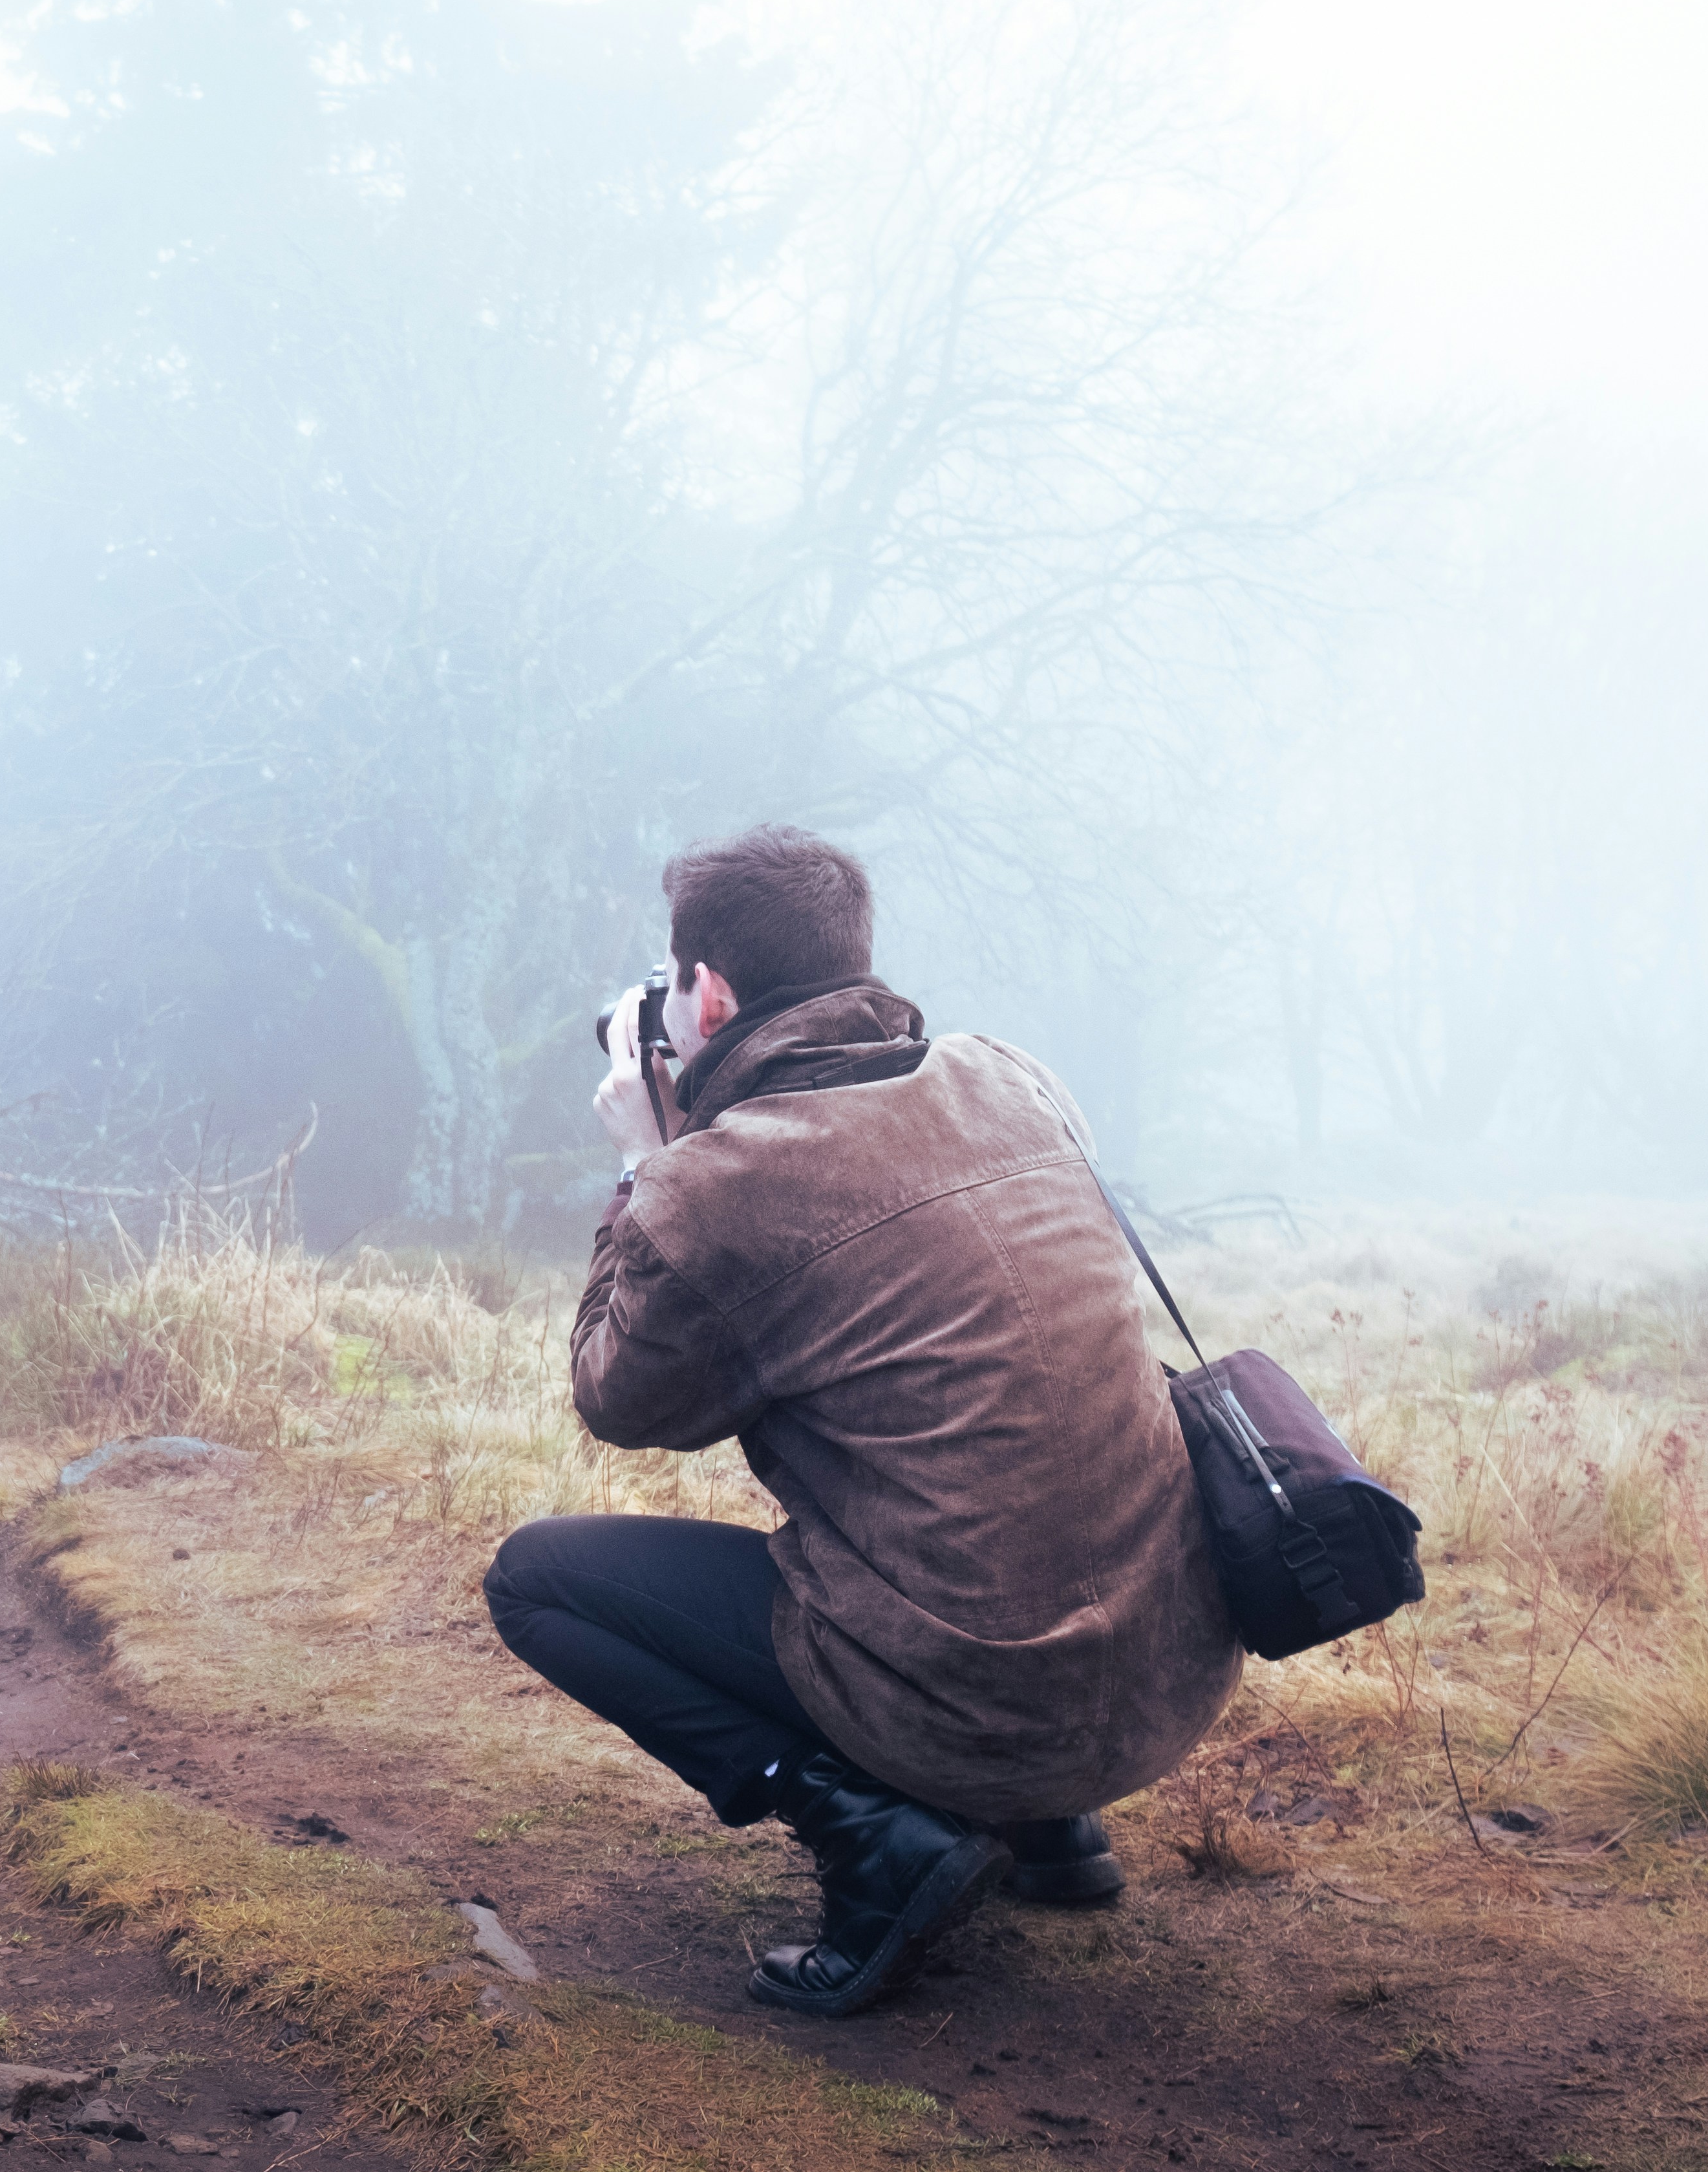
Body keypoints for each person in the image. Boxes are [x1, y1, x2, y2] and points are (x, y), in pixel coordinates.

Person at [480, 824, 1239, 2018]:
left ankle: (875, 1835)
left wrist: (648, 1168)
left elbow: (615, 1396)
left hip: (980, 1708)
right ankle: (1051, 1830)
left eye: (674, 988)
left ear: (712, 994)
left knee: (534, 1579)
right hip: (1169, 1671)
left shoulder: (722, 1183)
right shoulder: (1012, 1077)